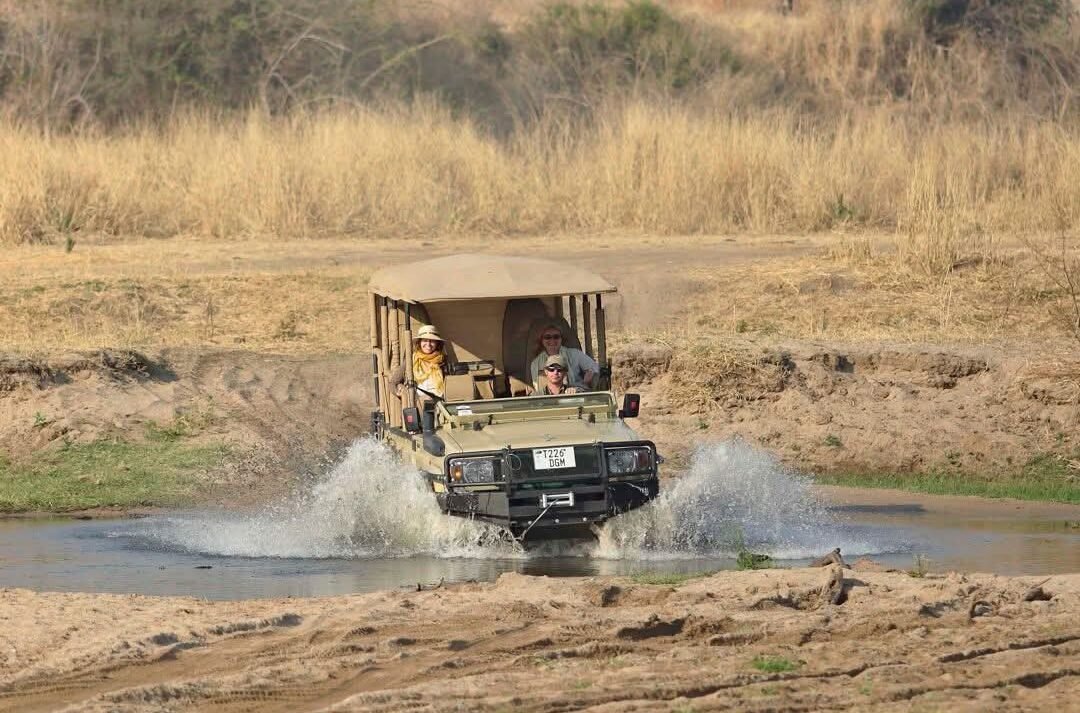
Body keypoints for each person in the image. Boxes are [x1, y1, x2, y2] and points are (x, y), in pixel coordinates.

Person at [528, 321, 597, 392]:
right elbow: (536, 387)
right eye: (547, 337)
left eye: (556, 337)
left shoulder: (575, 354)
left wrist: (583, 382)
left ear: (562, 339)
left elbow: (594, 368)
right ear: (541, 340)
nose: (552, 340)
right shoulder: (536, 363)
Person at [389, 324, 448, 401]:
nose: (428, 344)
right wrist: (401, 392)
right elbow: (393, 383)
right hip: (418, 404)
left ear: (437, 344)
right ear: (419, 343)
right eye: (425, 340)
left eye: (432, 341)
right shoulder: (411, 361)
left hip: (440, 402)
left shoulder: (442, 361)